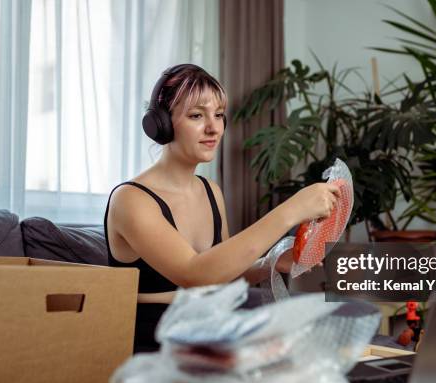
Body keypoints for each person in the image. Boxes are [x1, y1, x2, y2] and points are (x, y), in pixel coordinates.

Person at [104, 64, 340, 352]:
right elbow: (195, 274)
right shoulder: (131, 200)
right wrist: (291, 210)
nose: (213, 128)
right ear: (161, 124)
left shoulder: (210, 191)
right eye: (196, 116)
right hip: (157, 347)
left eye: (218, 115)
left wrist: (271, 263)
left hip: (212, 333)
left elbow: (220, 274)